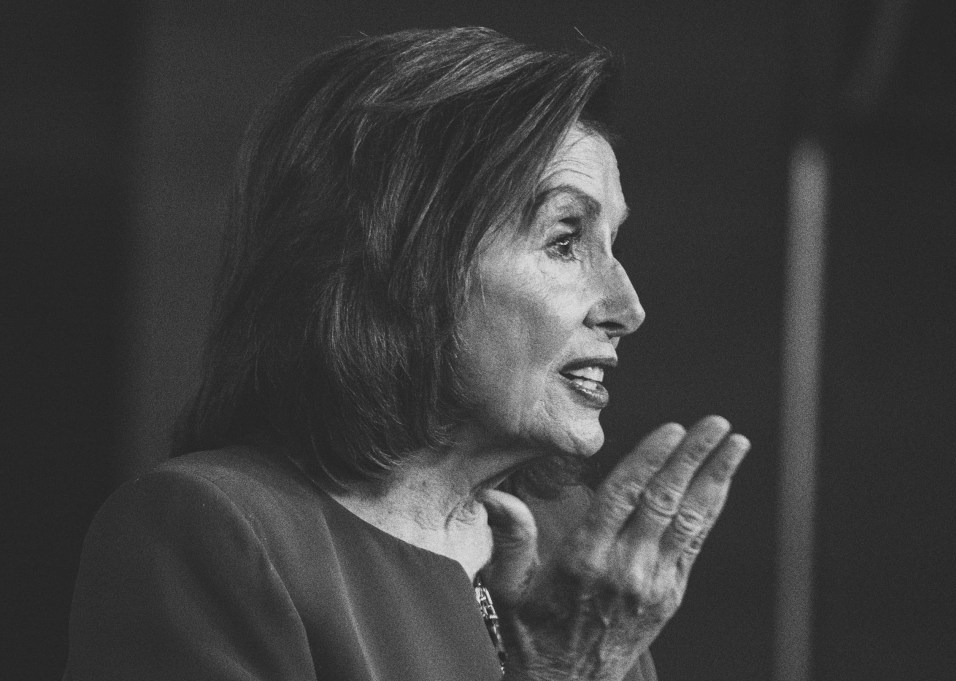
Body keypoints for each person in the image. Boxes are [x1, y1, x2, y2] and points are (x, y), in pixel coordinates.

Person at [64, 27, 750, 681]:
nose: (627, 308)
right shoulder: (212, 531)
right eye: (565, 240)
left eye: (613, 244)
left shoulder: (576, 544)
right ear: (405, 262)